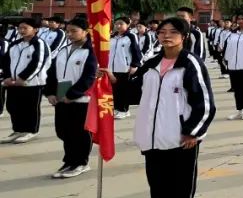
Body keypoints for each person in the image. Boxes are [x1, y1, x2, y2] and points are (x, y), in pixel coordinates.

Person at [133, 16, 216, 198]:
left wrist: (193, 132)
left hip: (180, 136)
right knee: (157, 182)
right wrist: (111, 82)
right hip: (152, 134)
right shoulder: (150, 64)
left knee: (180, 181)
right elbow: (133, 92)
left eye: (173, 32)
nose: (166, 36)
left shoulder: (190, 64)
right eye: (162, 31)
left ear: (184, 37)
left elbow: (205, 103)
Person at [44, 17, 98, 177]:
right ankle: (69, 161)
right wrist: (50, 93)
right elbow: (52, 73)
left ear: (86, 32)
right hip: (61, 98)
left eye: (74, 31)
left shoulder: (91, 52)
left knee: (79, 132)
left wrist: (72, 94)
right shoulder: (63, 50)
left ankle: (81, 162)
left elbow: (89, 77)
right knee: (63, 131)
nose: (70, 34)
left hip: (81, 100)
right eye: (68, 31)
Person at [2, 17, 51, 144]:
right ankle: (18, 130)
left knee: (30, 108)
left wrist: (22, 78)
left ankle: (31, 131)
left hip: (33, 83)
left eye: (25, 28)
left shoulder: (39, 44)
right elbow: (6, 61)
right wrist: (7, 77)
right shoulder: (15, 44)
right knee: (13, 107)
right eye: (20, 28)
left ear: (35, 29)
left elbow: (37, 63)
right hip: (13, 82)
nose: (22, 30)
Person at [107, 17, 143, 119]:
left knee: (124, 90)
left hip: (125, 68)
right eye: (116, 24)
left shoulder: (131, 36)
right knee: (115, 90)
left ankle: (124, 110)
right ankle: (117, 108)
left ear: (127, 25)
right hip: (112, 68)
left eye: (121, 24)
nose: (118, 26)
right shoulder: (112, 37)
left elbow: (136, 51)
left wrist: (134, 65)